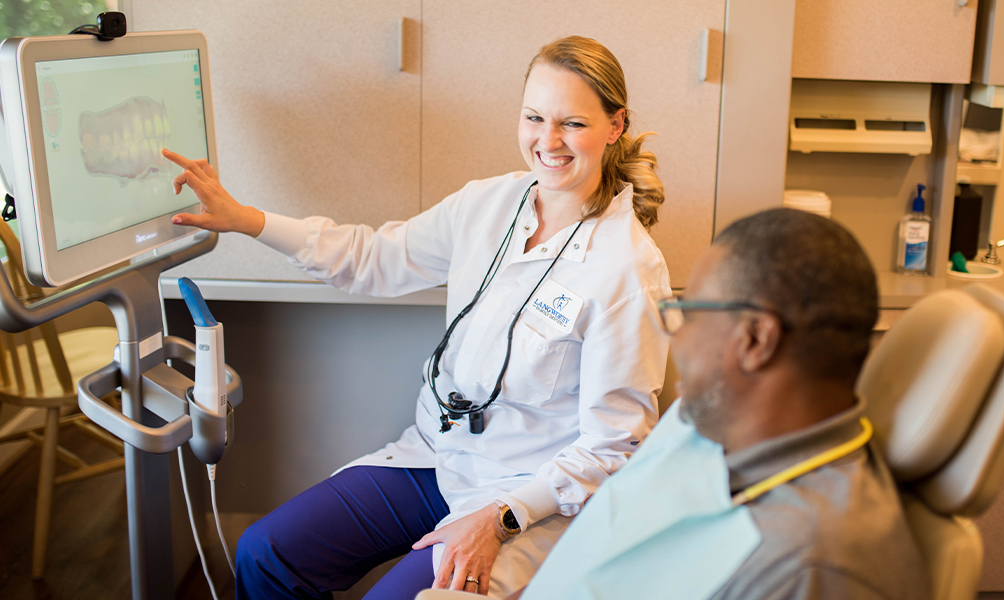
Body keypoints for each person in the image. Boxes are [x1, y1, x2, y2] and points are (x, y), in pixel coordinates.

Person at [163, 36, 672, 600]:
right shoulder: (487, 205)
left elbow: (612, 446)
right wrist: (247, 219)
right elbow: (374, 259)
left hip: (527, 498)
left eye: (572, 123)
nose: (547, 141)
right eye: (534, 117)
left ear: (614, 125)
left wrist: (502, 518)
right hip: (438, 457)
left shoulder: (627, 267)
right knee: (266, 552)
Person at [512, 209, 930, 600]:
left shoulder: (804, 564)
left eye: (688, 314)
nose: (677, 338)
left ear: (755, 339)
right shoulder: (707, 419)